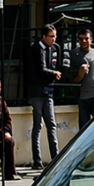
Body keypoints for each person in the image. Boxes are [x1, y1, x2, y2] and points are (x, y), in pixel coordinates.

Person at [25, 25, 62, 170]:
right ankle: (37, 160)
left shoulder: (53, 49)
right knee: (38, 125)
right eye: (51, 36)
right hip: (36, 91)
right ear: (44, 36)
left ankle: (55, 158)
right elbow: (40, 69)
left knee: (51, 124)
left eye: (55, 36)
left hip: (48, 91)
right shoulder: (36, 48)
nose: (54, 39)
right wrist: (53, 73)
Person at [70, 28, 94, 129]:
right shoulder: (74, 55)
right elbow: (72, 80)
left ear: (91, 39)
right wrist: (80, 73)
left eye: (86, 39)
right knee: (84, 128)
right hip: (82, 97)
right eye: (81, 39)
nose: (84, 41)